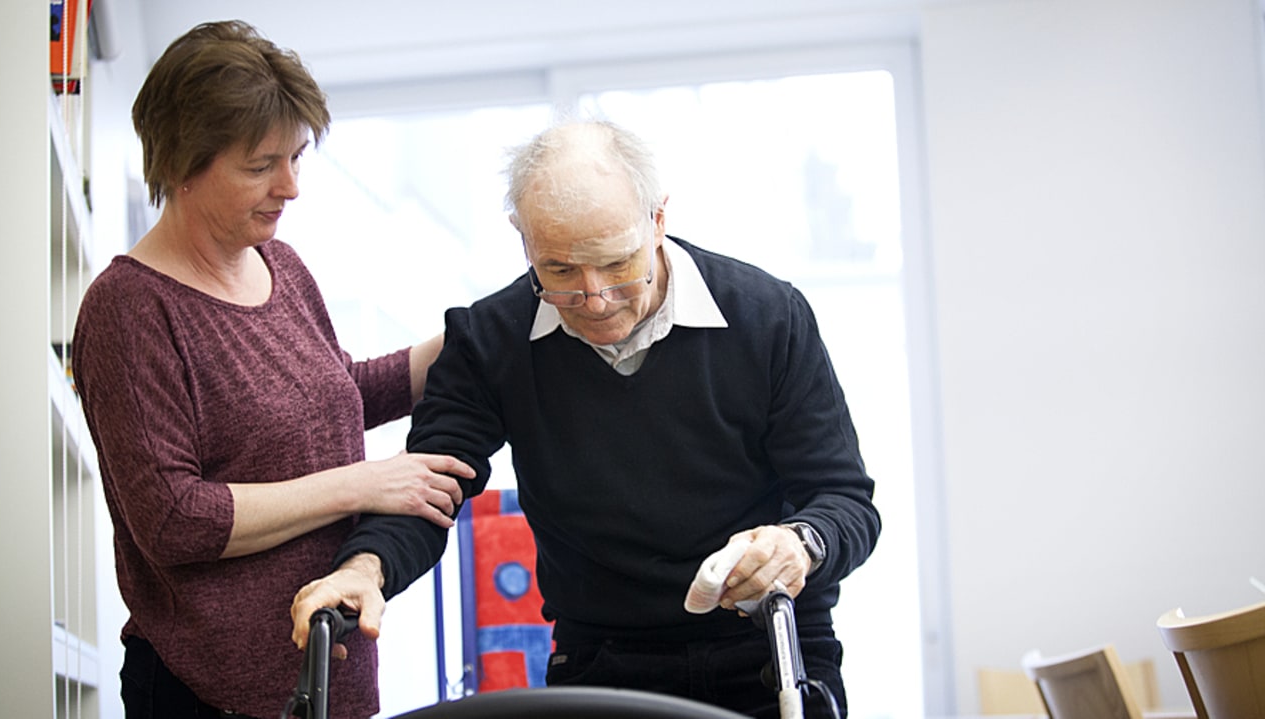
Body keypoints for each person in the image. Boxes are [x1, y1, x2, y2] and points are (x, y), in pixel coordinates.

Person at [290, 119, 881, 718]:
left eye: (616, 263)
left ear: (657, 220)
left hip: (767, 647)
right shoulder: (490, 340)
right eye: (561, 271)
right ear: (523, 242)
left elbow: (844, 499)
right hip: (602, 656)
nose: (595, 299)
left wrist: (800, 543)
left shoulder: (767, 317)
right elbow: (429, 486)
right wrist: (366, 568)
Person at [71, 20, 474, 719]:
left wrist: (477, 334)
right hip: (208, 692)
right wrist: (362, 484)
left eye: (296, 158)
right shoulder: (129, 308)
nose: (289, 187)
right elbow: (173, 518)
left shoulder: (279, 265)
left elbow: (338, 394)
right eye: (260, 166)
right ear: (181, 164)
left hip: (330, 666)